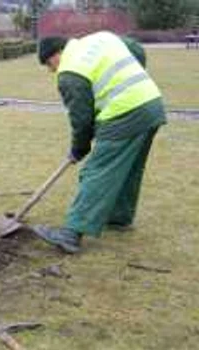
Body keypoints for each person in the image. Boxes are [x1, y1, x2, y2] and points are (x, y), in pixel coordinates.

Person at [34, 31, 166, 254]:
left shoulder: (69, 72)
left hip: (124, 113)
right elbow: (136, 50)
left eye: (49, 63)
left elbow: (82, 120)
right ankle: (119, 217)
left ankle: (71, 233)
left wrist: (79, 149)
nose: (51, 69)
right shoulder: (101, 38)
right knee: (129, 167)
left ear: (58, 52)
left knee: (97, 171)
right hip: (150, 104)